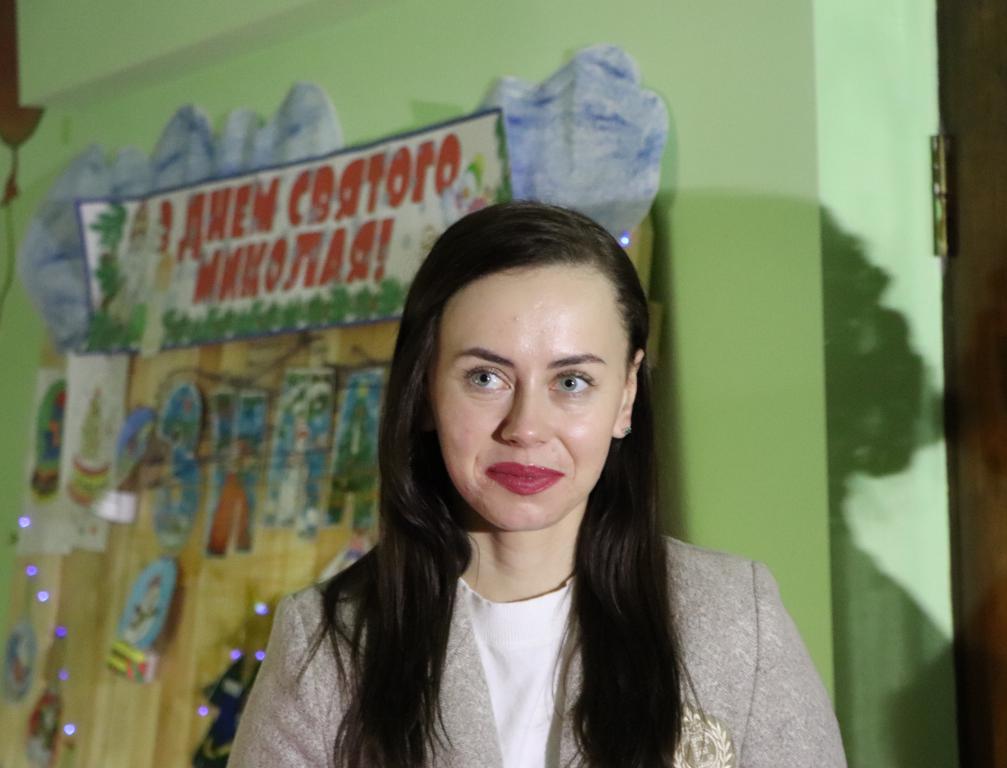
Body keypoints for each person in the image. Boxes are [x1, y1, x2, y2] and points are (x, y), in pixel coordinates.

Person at [230, 202, 845, 768]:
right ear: (425, 390)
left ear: (626, 395)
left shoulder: (737, 617)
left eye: (571, 382)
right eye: (485, 378)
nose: (525, 428)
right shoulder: (325, 643)